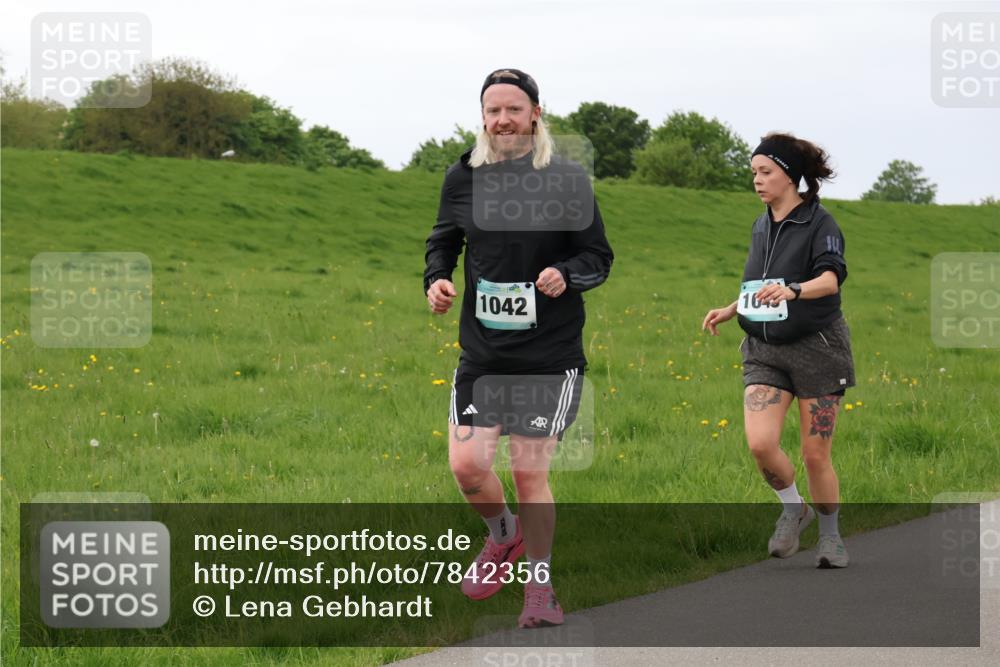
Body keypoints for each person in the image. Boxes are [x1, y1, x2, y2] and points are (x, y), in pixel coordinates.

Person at [424, 68, 613, 627]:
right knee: (467, 467)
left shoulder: (566, 179)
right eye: (492, 110)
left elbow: (597, 256)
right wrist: (436, 279)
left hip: (548, 356)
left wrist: (565, 273)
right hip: (484, 355)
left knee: (531, 473)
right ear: (482, 117)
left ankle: (540, 589)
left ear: (535, 114)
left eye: (513, 109)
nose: (502, 119)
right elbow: (443, 241)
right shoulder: (463, 177)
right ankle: (503, 534)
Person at [702, 132, 853, 568]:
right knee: (761, 443)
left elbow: (830, 280)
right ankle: (793, 507)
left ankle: (830, 537)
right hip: (764, 349)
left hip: (817, 349)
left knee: (814, 453)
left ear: (789, 176)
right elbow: (760, 283)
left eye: (765, 172)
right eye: (754, 172)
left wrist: (793, 290)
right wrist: (732, 307)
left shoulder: (820, 223)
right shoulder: (760, 223)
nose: (757, 180)